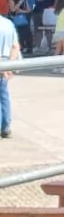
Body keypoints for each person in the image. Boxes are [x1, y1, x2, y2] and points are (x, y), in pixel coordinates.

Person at [0, 9, 16, 138]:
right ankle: (6, 126)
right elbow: (15, 46)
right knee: (4, 96)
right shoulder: (8, 23)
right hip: (6, 60)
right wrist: (10, 65)